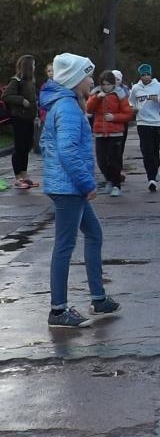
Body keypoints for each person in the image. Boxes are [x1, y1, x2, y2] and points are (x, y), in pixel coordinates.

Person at [40, 53, 121, 328]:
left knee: (94, 234)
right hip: (69, 187)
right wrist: (87, 183)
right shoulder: (68, 108)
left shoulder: (66, 105)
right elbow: (67, 152)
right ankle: (58, 310)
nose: (91, 81)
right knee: (65, 245)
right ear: (75, 79)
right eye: (87, 76)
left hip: (68, 185)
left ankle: (98, 298)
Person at [86, 70, 133, 197]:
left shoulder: (119, 94)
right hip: (100, 132)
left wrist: (114, 117)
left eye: (108, 84)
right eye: (104, 84)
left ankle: (116, 185)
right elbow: (89, 108)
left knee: (114, 160)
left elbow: (128, 114)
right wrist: (97, 98)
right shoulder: (96, 93)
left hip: (115, 133)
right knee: (101, 161)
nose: (106, 87)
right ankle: (110, 180)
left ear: (113, 84)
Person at [2, 55, 39, 189]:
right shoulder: (16, 80)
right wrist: (21, 101)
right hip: (19, 119)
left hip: (28, 119)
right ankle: (18, 178)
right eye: (33, 65)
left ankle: (24, 176)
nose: (34, 67)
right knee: (19, 148)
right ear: (28, 66)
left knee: (26, 148)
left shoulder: (30, 81)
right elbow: (6, 96)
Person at [129, 63, 160, 192]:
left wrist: (158, 100)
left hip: (157, 122)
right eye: (143, 75)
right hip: (142, 122)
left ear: (151, 75)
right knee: (146, 151)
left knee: (155, 150)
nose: (146, 77)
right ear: (140, 76)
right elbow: (131, 101)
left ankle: (157, 166)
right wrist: (133, 108)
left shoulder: (159, 86)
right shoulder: (136, 88)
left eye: (148, 74)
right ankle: (151, 179)